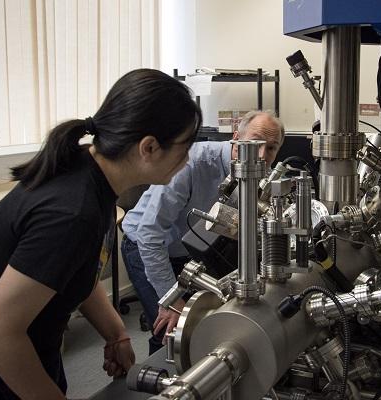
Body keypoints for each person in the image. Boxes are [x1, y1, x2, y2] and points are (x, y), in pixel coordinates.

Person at [0, 69, 202, 400]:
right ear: (149, 147)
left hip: (29, 354)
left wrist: (116, 334)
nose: (186, 162)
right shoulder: (71, 213)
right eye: (184, 149)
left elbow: (75, 270)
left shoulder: (92, 174)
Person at [121, 110, 284, 354]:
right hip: (147, 245)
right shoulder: (192, 163)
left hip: (191, 250)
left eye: (271, 148)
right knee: (171, 327)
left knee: (204, 322)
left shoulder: (257, 174)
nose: (261, 155)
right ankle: (160, 377)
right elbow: (149, 233)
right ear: (236, 137)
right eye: (255, 142)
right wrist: (172, 300)